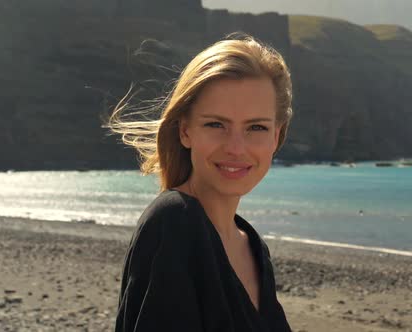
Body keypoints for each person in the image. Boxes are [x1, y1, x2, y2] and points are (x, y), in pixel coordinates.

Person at [108, 34, 293, 332]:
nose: (236, 147)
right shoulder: (173, 223)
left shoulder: (252, 245)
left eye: (256, 127)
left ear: (276, 136)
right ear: (185, 131)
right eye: (216, 124)